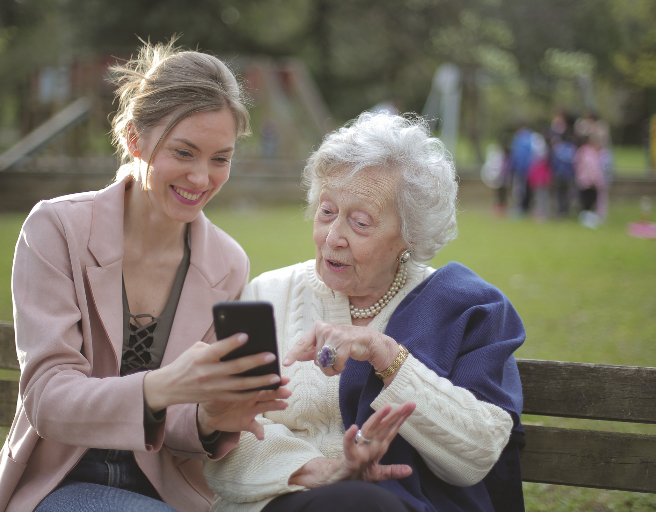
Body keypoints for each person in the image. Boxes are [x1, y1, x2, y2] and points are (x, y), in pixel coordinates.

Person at [0, 40, 290, 512]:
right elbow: (48, 400)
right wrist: (163, 385)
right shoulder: (56, 229)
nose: (201, 178)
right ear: (135, 139)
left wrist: (212, 417)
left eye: (220, 158)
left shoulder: (228, 263)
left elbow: (183, 427)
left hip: (168, 492)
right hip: (58, 482)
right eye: (184, 152)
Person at [204, 113, 526, 512]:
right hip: (279, 500)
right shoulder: (267, 294)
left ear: (411, 235)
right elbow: (224, 429)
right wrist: (316, 469)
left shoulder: (466, 307)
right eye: (326, 211)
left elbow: (478, 455)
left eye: (360, 222)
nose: (333, 237)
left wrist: (387, 356)